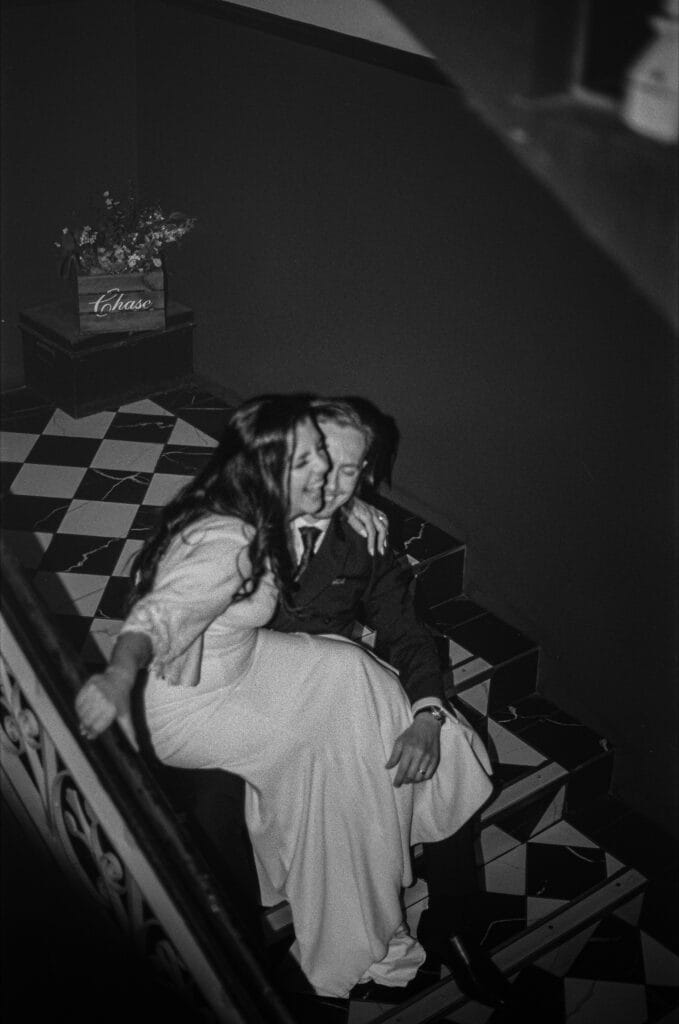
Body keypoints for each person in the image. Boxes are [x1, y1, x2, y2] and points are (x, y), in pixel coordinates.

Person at [75, 394, 493, 1001]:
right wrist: (132, 665)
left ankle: (455, 926)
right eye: (319, 463)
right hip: (220, 701)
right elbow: (164, 600)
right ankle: (240, 967)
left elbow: (406, 630)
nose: (329, 484)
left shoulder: (360, 537)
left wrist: (427, 714)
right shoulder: (238, 517)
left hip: (309, 687)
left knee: (446, 743)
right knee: (226, 805)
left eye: (349, 472)